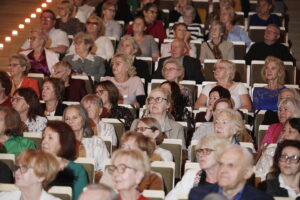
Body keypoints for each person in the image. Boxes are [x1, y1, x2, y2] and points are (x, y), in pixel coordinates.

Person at [189, 145, 274, 200]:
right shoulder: (198, 195)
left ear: (247, 172)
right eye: (221, 164)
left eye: (231, 165)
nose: (223, 170)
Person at [166, 134, 230, 200]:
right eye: (200, 151)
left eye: (207, 151)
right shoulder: (191, 175)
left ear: (221, 153)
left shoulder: (232, 180)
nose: (201, 155)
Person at [41, 120, 88, 200]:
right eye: (43, 137)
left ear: (63, 142)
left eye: (50, 138)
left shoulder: (77, 171)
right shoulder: (34, 166)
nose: (44, 142)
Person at [63, 105, 109, 172]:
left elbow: (105, 168)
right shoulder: (59, 142)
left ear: (83, 120)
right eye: (67, 119)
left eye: (75, 117)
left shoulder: (97, 142)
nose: (70, 121)